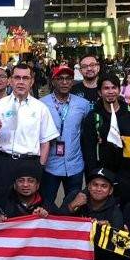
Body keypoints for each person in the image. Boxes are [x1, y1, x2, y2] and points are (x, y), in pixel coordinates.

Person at [0, 63, 59, 199]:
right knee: (2, 203)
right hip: (4, 162)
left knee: (28, 207)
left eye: (25, 78)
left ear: (32, 81)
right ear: (10, 81)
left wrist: (40, 166)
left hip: (30, 163)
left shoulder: (40, 108)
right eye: (17, 77)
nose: (21, 82)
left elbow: (46, 141)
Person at [62, 168, 124, 260]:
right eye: (95, 184)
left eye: (104, 186)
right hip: (72, 251)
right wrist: (72, 205)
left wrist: (108, 230)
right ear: (88, 187)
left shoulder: (115, 210)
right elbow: (56, 221)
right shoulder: (75, 196)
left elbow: (119, 241)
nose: (98, 189)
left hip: (100, 255)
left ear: (110, 190)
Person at [41, 65, 91, 205]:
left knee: (73, 206)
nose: (64, 82)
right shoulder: (42, 105)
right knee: (46, 204)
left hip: (74, 164)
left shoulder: (83, 104)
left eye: (68, 78)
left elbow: (86, 131)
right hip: (50, 165)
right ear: (53, 81)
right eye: (60, 78)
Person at [81, 73, 127, 175]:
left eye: (114, 88)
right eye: (106, 88)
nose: (110, 92)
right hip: (102, 171)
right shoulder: (93, 117)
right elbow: (89, 150)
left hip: (126, 170)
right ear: (100, 92)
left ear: (119, 90)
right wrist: (93, 173)